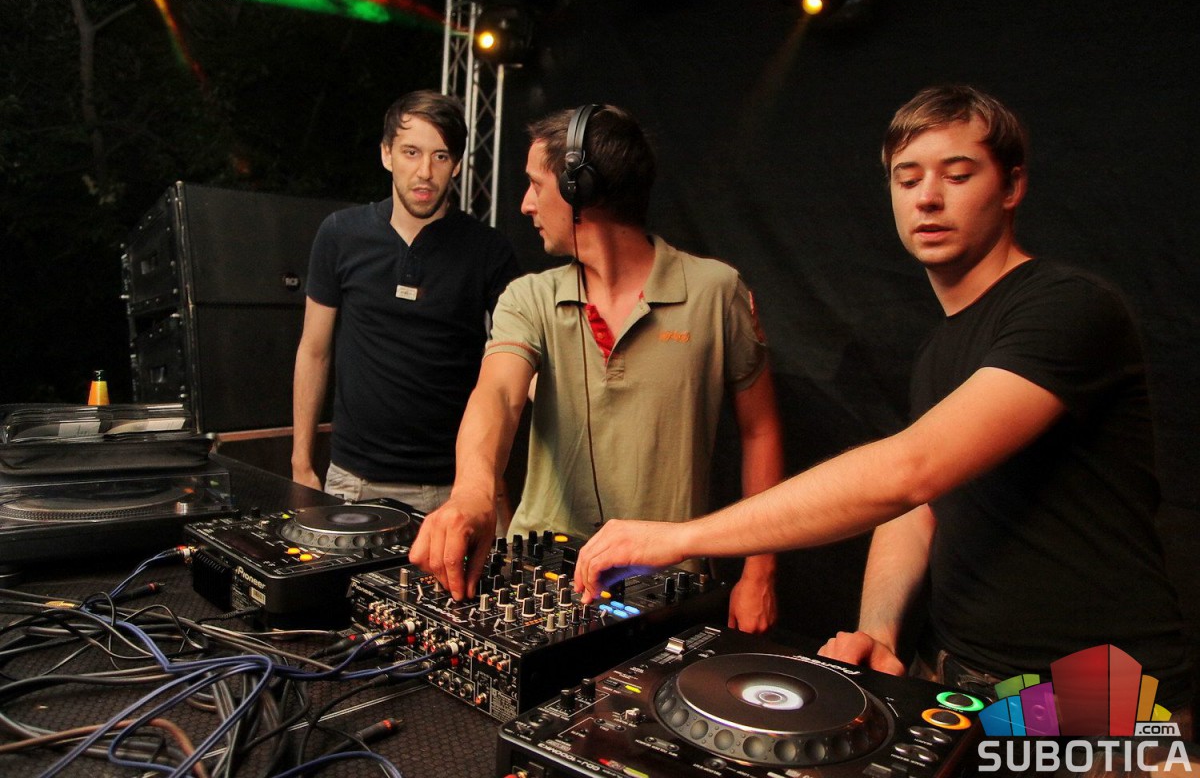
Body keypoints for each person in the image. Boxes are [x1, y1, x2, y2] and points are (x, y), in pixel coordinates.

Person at [573, 85, 1193, 719]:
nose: (928, 197)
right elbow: (918, 508)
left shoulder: (1066, 307)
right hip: (960, 681)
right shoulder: (940, 351)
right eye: (907, 178)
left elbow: (909, 471)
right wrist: (880, 631)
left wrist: (682, 537)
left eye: (958, 174)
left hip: (1099, 694)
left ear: (1012, 186)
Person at [410, 104, 784, 633]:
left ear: (580, 187)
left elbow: (761, 429)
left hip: (666, 582)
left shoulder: (716, 292)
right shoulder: (529, 297)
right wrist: (472, 493)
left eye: (536, 185)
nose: (525, 204)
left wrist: (760, 571)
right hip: (538, 577)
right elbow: (498, 394)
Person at [292, 90, 521, 512]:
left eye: (440, 156)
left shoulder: (489, 250)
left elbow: (515, 368)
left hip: (453, 488)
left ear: (457, 165)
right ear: (386, 154)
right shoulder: (340, 234)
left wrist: (489, 480)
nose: (424, 172)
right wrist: (301, 464)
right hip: (352, 483)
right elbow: (314, 350)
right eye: (411, 152)